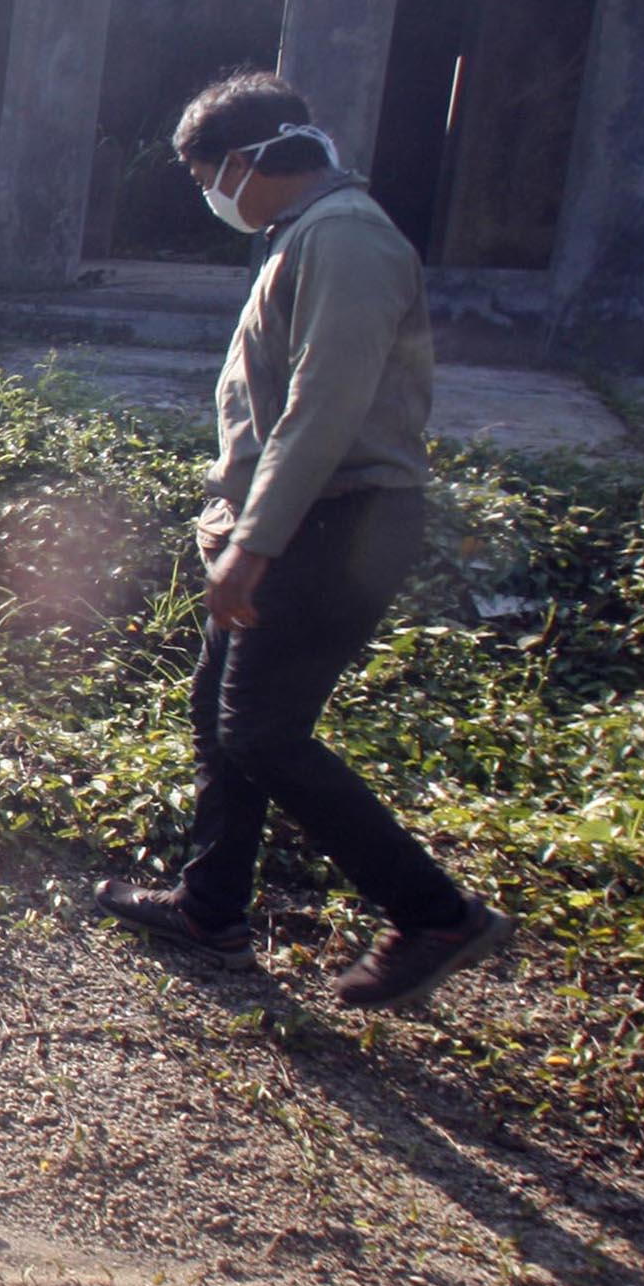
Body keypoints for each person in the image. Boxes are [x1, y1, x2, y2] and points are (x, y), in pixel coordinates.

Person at [93, 73, 512, 1010]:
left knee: (262, 732)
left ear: (248, 160)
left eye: (208, 175)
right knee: (219, 715)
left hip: (333, 523)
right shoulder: (306, 234)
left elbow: (324, 409)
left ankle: (435, 914)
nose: (212, 196)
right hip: (292, 519)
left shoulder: (347, 240)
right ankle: (209, 907)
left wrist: (254, 544)